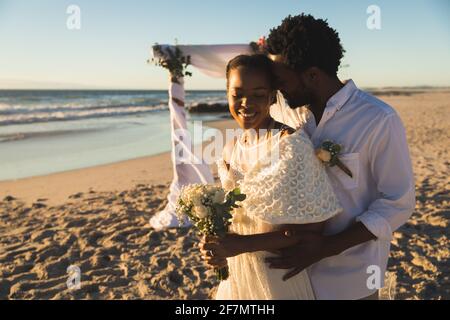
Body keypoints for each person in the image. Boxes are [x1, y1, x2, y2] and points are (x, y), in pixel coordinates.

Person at [200, 54, 342, 299]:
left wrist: (243, 245)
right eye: (237, 94)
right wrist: (214, 241)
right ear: (227, 93)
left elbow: (313, 230)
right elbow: (233, 217)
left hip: (277, 278)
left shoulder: (290, 145)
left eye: (257, 94)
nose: (246, 103)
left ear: (272, 95)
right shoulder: (230, 148)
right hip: (237, 275)